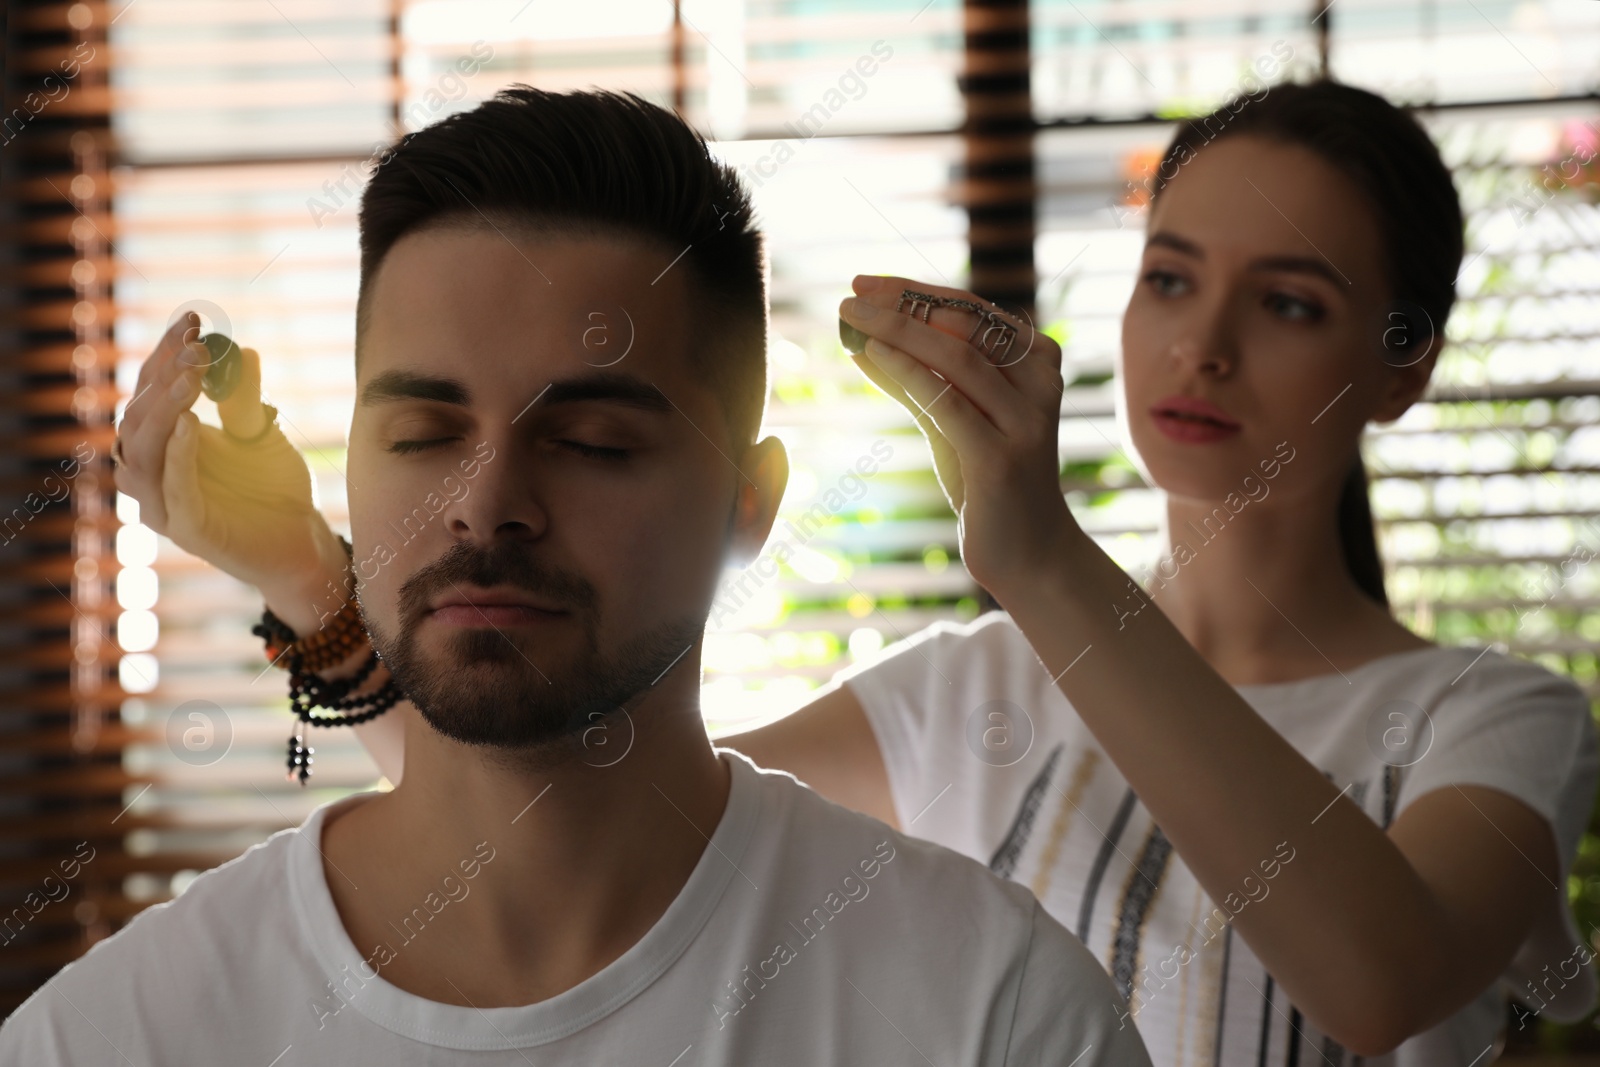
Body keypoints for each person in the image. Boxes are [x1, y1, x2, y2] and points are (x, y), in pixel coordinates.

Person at [289, 79, 1596, 1063]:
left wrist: (1038, 556)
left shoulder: (1492, 720)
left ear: (1404, 363)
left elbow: (1380, 977)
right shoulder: (970, 690)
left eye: (1290, 302)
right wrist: (301, 571)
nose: (1203, 343)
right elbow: (549, 805)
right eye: (1170, 277)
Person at [0, 87, 1154, 1066]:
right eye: (420, 433)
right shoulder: (118, 1036)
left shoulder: (990, 1014)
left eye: (594, 441)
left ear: (746, 505)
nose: (487, 500)